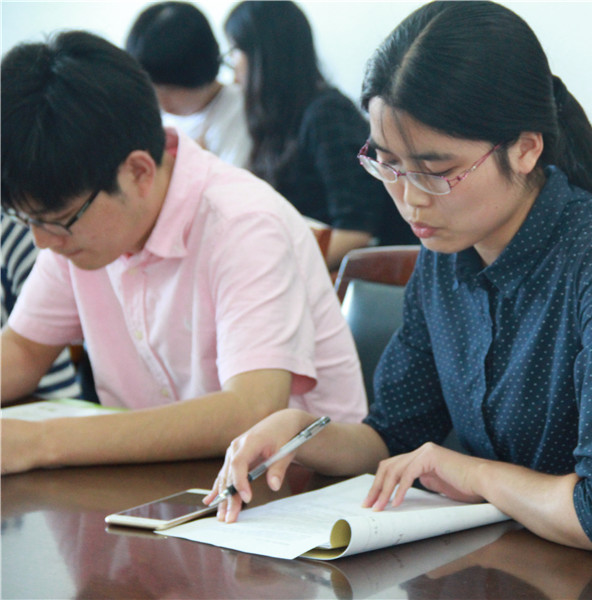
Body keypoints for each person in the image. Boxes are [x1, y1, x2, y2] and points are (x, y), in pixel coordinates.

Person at [208, 1, 592, 567]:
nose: (410, 198)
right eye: (387, 163)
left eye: (436, 170)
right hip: (514, 565)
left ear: (525, 148)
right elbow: (394, 436)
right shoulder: (449, 249)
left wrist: (468, 470)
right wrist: (301, 433)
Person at [0, 31, 367, 476]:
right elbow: (21, 351)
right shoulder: (81, 226)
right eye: (29, 221)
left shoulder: (242, 223)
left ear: (138, 171)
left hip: (295, 493)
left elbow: (251, 410)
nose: (43, 241)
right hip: (165, 483)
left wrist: (39, 442)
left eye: (56, 220)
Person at [224, 1, 418, 271]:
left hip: (348, 277)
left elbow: (357, 232)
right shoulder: (278, 119)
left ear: (262, 56)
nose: (231, 65)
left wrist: (274, 271)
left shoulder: (326, 114)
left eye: (234, 51)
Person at [126, 1, 251, 168]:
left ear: (199, 75)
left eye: (168, 90)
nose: (160, 103)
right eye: (151, 90)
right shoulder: (153, 118)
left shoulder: (241, 112)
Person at [1, 219, 81, 399]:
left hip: (37, 402)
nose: (40, 240)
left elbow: (26, 352)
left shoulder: (12, 229)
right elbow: (25, 345)